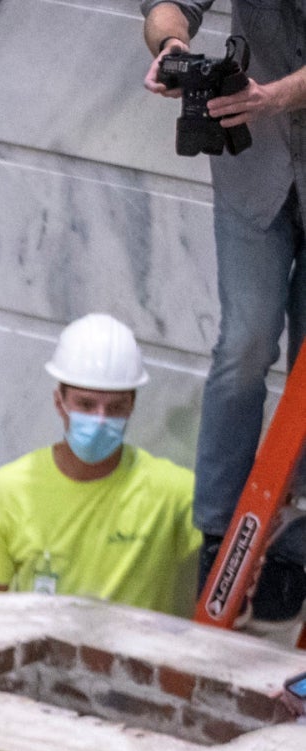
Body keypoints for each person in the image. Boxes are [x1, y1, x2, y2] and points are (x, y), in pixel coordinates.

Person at [141, 2, 306, 619]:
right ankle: (218, 534)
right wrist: (171, 48)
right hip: (254, 168)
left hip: (266, 119)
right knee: (245, 343)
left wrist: (276, 97)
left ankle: (296, 541)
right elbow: (168, 7)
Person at [0, 314, 200, 614]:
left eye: (115, 407)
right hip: (41, 661)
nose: (100, 420)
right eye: (86, 404)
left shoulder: (175, 494)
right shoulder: (8, 492)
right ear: (59, 401)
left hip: (132, 660)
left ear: (132, 406)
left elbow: (233, 566)